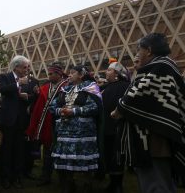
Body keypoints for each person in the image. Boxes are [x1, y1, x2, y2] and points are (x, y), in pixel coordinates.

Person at [111, 33, 185, 193]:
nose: (136, 54)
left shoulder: (160, 67)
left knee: (155, 185)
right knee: (159, 182)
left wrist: (118, 109)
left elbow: (136, 95)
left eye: (139, 50)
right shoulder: (163, 67)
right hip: (154, 136)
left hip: (154, 139)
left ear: (149, 50)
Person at [51, 65, 102, 193]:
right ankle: (69, 183)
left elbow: (95, 107)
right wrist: (61, 110)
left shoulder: (90, 87)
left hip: (83, 132)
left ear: (80, 75)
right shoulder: (65, 89)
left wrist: (73, 111)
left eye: (72, 73)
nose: (69, 75)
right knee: (67, 158)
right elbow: (52, 106)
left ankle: (87, 184)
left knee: (84, 157)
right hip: (65, 131)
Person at [26, 61, 68, 186]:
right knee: (48, 152)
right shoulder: (45, 87)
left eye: (51, 74)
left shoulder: (67, 86)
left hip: (61, 124)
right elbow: (39, 106)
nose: (49, 76)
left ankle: (64, 179)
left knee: (62, 153)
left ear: (58, 74)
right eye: (48, 74)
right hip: (46, 125)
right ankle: (46, 177)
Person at [0, 55, 30, 189]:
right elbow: (3, 90)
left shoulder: (28, 80)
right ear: (16, 67)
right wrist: (18, 84)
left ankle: (17, 177)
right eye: (24, 67)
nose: (27, 70)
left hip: (21, 120)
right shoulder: (4, 77)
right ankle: (5, 177)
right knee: (6, 149)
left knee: (19, 149)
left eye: (28, 67)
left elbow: (31, 98)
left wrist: (27, 96)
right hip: (8, 120)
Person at [102, 62, 130, 193]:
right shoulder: (107, 87)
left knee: (117, 156)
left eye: (109, 70)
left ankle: (118, 185)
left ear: (117, 74)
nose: (106, 72)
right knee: (109, 155)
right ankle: (113, 183)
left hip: (120, 127)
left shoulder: (125, 87)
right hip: (107, 127)